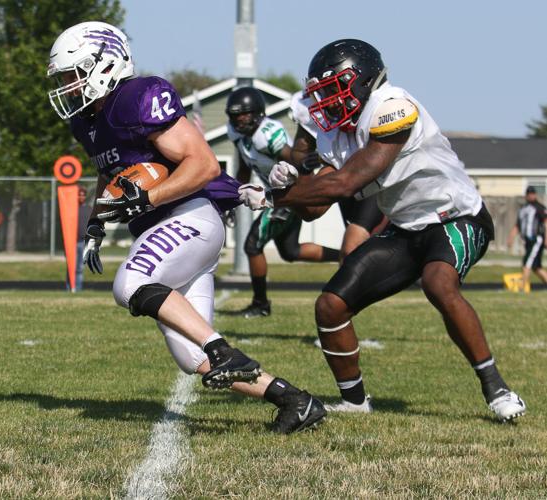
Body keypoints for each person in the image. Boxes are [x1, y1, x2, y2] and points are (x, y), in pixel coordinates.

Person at [47, 21, 325, 433]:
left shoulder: (137, 96)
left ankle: (222, 347)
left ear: (103, 65)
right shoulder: (87, 121)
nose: (69, 88)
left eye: (73, 76)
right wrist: (95, 225)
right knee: (192, 357)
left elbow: (204, 164)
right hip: (166, 230)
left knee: (131, 284)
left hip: (189, 216)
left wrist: (149, 198)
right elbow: (112, 174)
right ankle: (294, 401)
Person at [239, 39, 525, 421]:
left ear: (360, 82)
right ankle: (355, 402)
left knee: (438, 283)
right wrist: (289, 182)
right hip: (406, 228)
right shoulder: (337, 132)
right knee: (330, 305)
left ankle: (496, 387)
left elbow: (346, 182)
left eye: (331, 89)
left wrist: (276, 198)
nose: (325, 100)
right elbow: (315, 210)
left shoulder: (392, 107)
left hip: (455, 218)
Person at [225, 87, 341, 318]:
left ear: (257, 113)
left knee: (252, 245)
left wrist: (309, 165)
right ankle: (344, 257)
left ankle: (261, 304)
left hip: (288, 193)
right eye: (235, 115)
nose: (239, 120)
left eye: (244, 114)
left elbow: (294, 162)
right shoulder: (240, 136)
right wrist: (231, 199)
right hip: (280, 194)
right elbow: (245, 167)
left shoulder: (267, 134)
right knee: (290, 251)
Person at [287, 90, 386, 261]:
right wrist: (299, 173)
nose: (330, 103)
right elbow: (310, 210)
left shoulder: (380, 107)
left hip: (375, 183)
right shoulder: (328, 136)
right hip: (346, 179)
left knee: (352, 250)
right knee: (353, 256)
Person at [506, 186, 547, 289]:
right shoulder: (523, 209)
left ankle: (522, 288)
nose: (531, 195)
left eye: (532, 193)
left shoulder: (539, 208)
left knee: (526, 263)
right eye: (529, 194)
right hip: (528, 241)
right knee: (536, 267)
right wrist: (511, 237)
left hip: (536, 239)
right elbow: (517, 225)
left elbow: (546, 223)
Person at [66, 185, 90, 292]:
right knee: (70, 266)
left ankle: (78, 289)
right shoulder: (70, 208)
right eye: (79, 195)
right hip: (71, 242)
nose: (81, 197)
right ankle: (69, 288)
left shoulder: (89, 209)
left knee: (80, 267)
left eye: (83, 195)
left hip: (83, 242)